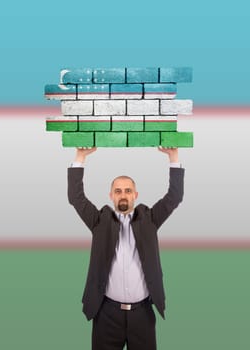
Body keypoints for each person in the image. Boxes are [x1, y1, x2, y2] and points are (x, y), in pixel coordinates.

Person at [68, 147, 185, 350]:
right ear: (111, 195)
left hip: (143, 315)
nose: (123, 195)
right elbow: (76, 198)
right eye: (118, 191)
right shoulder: (99, 221)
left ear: (135, 195)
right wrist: (80, 157)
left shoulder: (150, 219)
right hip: (106, 314)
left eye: (128, 191)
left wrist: (173, 156)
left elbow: (174, 197)